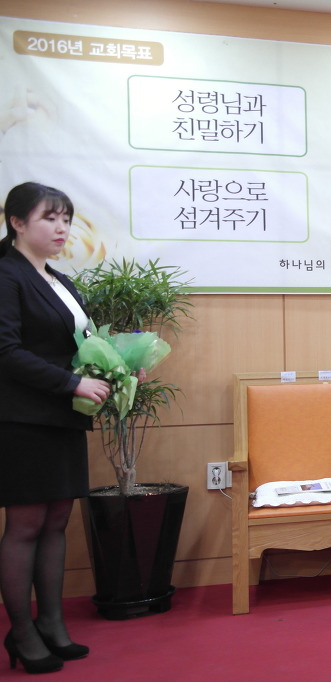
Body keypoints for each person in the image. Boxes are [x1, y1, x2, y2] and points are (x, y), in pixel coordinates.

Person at [0, 182, 111, 674]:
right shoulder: (6, 275)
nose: (62, 228)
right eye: (50, 218)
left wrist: (114, 369)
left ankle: (51, 623)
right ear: (17, 222)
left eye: (66, 218)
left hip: (63, 417)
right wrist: (71, 383)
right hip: (22, 419)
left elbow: (81, 345)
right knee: (25, 526)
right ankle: (22, 632)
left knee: (56, 522)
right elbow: (6, 351)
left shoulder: (60, 280)